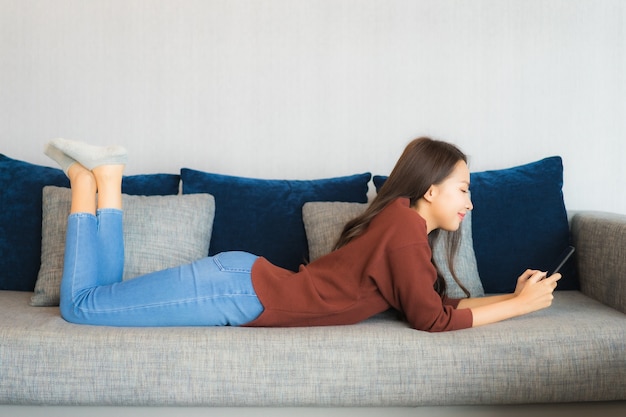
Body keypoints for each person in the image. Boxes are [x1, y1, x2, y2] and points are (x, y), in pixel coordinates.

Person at [44, 137, 561, 331]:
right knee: (81, 307)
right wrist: (522, 305)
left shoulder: (402, 225)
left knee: (97, 299)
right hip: (238, 290)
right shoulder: (403, 225)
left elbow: (430, 307)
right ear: (430, 191)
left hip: (241, 283)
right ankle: (92, 181)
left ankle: (100, 181)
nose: (471, 202)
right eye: (464, 190)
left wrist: (514, 296)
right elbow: (432, 321)